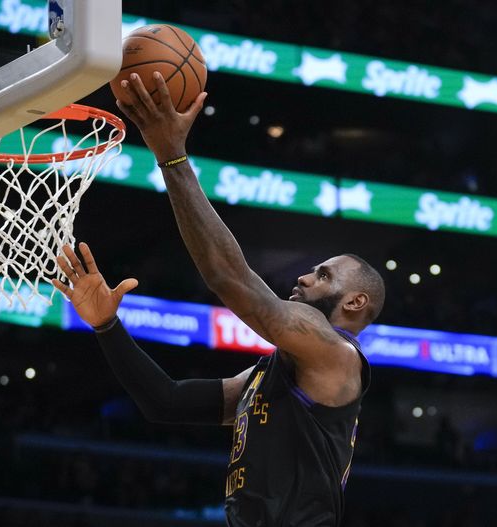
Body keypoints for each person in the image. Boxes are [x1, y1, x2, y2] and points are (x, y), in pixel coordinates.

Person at [52, 73, 385, 527]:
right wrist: (107, 327)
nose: (305, 278)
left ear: (354, 301)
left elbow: (228, 276)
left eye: (323, 275)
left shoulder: (337, 354)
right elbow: (165, 402)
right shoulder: (276, 372)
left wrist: (172, 157)